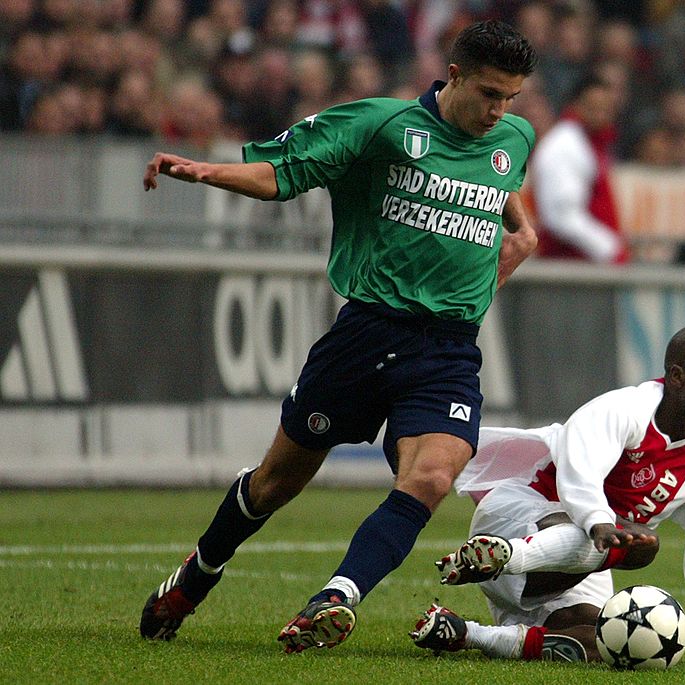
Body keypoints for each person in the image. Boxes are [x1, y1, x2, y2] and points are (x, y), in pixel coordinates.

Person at [137, 19, 538, 653]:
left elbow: (512, 215)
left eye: (511, 97)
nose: (499, 110)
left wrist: (507, 258)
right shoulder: (380, 126)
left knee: (432, 479)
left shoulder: (513, 137)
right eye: (490, 92)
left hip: (448, 350)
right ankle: (197, 573)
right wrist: (205, 172)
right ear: (453, 75)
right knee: (275, 483)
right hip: (366, 335)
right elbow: (281, 173)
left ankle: (337, 596)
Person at [409, 326, 685, 668]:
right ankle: (497, 555)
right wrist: (596, 520)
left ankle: (467, 634)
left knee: (615, 644)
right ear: (678, 377)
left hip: (578, 562)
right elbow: (578, 473)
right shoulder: (622, 410)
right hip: (519, 519)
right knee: (640, 544)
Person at [530, 72, 628, 263]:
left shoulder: (589, 143)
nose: (602, 114)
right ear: (576, 105)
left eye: (607, 109)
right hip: (570, 267)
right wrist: (610, 249)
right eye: (594, 107)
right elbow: (561, 216)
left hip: (585, 263)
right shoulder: (564, 146)